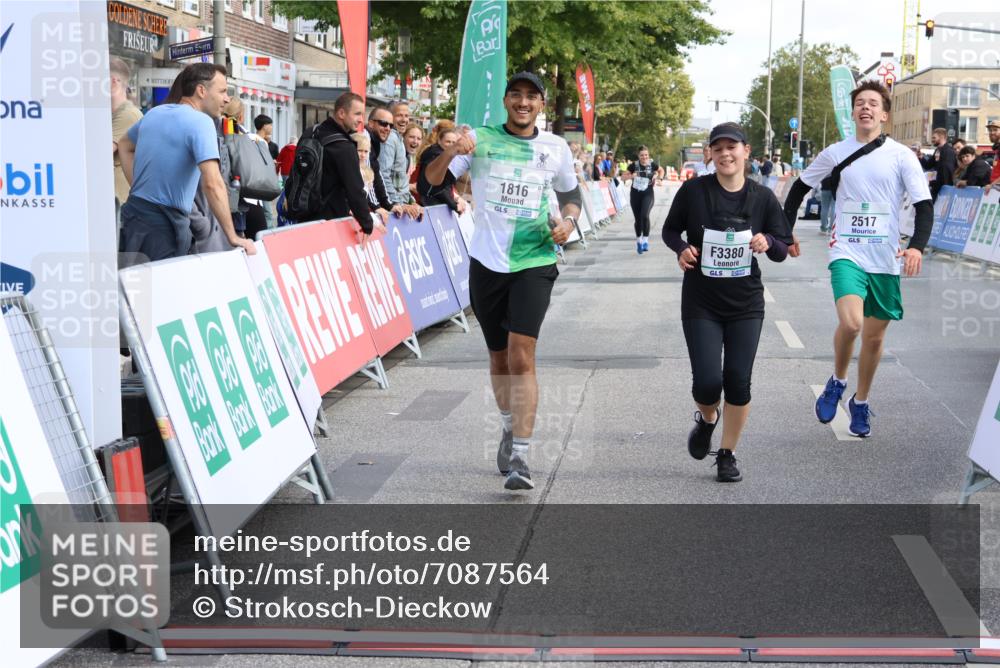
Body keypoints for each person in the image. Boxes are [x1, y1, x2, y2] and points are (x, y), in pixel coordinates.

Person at [424, 72, 582, 492]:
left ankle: (523, 458)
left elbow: (573, 195)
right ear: (507, 100)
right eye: (517, 95)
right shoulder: (481, 138)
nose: (524, 102)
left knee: (521, 355)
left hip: (535, 259)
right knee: (498, 358)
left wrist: (568, 221)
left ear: (542, 105)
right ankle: (509, 428)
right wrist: (453, 149)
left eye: (532, 96)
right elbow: (434, 180)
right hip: (487, 262)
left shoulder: (556, 147)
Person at [782, 80, 933, 438]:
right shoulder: (836, 152)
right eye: (860, 103)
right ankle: (837, 380)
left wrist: (916, 247)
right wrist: (786, 229)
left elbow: (924, 206)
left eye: (873, 103)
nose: (866, 108)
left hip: (884, 257)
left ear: (884, 113)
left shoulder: (901, 156)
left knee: (875, 339)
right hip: (847, 250)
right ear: (853, 112)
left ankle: (860, 402)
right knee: (851, 324)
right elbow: (800, 187)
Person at [663, 122, 792, 483]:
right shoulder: (693, 192)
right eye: (717, 148)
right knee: (706, 384)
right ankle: (707, 419)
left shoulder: (762, 198)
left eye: (732, 147)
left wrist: (769, 241)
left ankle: (727, 453)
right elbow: (670, 230)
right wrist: (681, 249)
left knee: (738, 381)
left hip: (746, 304)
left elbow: (783, 248)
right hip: (701, 301)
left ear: (746, 151)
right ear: (710, 154)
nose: (725, 154)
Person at [116, 63, 255, 263]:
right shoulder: (201, 122)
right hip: (165, 227)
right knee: (164, 291)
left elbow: (124, 145)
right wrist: (232, 236)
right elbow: (213, 184)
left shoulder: (155, 113)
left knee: (135, 288)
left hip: (133, 216)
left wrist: (137, 186)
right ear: (201, 90)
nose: (226, 98)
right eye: (223, 91)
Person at [110, 56, 142, 244]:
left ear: (113, 82)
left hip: (119, 208)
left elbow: (96, 156)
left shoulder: (127, 115)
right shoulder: (114, 114)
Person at [416, 126, 467, 214]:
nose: (451, 145)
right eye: (448, 142)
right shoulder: (435, 155)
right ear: (439, 141)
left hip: (433, 203)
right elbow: (438, 188)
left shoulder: (446, 156)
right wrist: (454, 205)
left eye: (454, 143)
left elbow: (448, 185)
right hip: (428, 204)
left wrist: (456, 198)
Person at [623, 146, 663, 254]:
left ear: (648, 155)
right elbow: (623, 177)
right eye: (642, 155)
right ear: (638, 156)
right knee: (638, 219)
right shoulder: (634, 165)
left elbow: (661, 170)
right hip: (635, 194)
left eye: (646, 155)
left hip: (648, 194)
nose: (644, 157)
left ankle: (645, 240)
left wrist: (659, 177)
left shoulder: (652, 165)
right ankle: (639, 241)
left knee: (644, 215)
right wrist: (631, 176)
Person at [377, 103, 410, 206]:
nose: (404, 119)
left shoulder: (398, 139)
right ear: (390, 117)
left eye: (407, 116)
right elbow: (383, 174)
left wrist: (411, 201)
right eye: (399, 115)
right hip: (394, 206)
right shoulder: (390, 139)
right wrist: (396, 203)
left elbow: (401, 181)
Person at [923, 127, 957, 201]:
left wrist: (945, 187)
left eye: (934, 137)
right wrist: (920, 157)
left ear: (941, 137)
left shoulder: (948, 151)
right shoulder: (937, 150)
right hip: (936, 187)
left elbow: (947, 170)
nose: (932, 140)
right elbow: (928, 165)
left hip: (943, 188)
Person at [986, 121, 1000, 194]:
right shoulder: (997, 149)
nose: (992, 132)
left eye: (995, 130)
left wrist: (992, 185)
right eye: (990, 130)